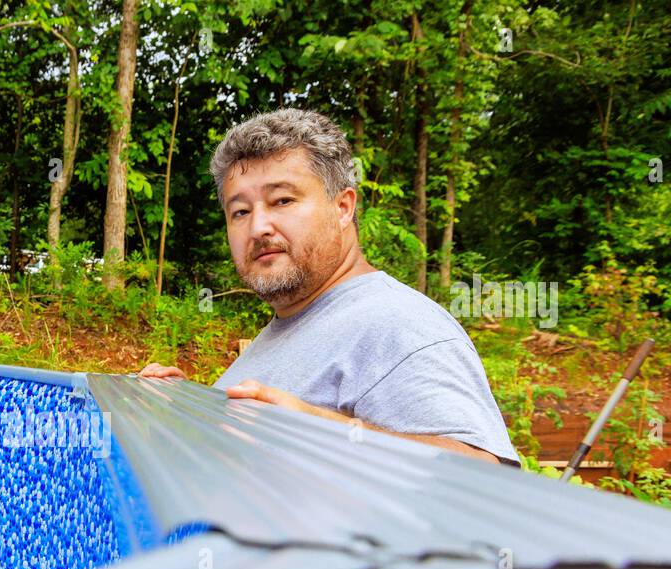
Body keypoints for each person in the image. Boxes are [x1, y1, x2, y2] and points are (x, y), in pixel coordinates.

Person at [139, 108, 519, 466]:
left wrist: (321, 433)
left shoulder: (398, 322)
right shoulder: (289, 326)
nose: (258, 228)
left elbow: (484, 477)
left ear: (343, 208)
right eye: (240, 211)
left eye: (282, 200)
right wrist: (193, 410)